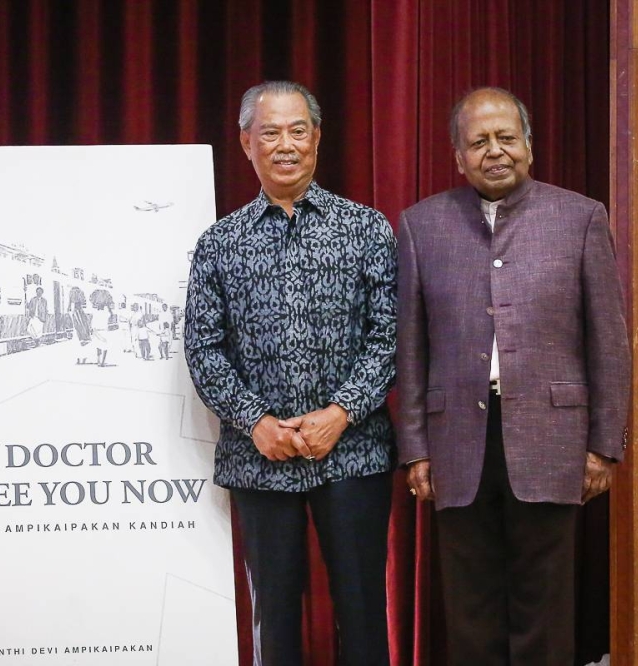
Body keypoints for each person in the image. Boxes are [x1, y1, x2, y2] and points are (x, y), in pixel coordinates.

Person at [396, 87, 631, 665]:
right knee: (470, 604)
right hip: (456, 444)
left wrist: (604, 445)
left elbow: (608, 340)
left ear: (529, 145)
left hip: (554, 437)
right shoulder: (422, 226)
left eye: (507, 138)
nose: (495, 151)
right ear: (458, 156)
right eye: (479, 142)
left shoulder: (580, 217)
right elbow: (411, 349)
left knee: (544, 603)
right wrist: (415, 450)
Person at [184, 81, 397, 666]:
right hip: (260, 458)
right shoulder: (218, 245)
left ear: (317, 139)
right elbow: (203, 349)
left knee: (361, 614)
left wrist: (341, 413)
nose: (285, 145)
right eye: (270, 132)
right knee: (274, 620)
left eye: (298, 131)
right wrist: (256, 422)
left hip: (353, 453)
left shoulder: (367, 229)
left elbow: (389, 340)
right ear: (246, 143)